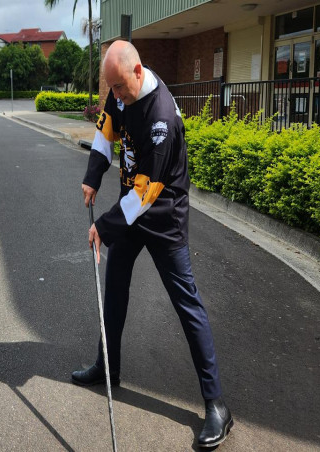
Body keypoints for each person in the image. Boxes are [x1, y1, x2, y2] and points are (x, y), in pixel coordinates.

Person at [72, 40, 233, 448]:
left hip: (161, 215)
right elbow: (105, 132)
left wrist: (104, 227)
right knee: (114, 290)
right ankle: (107, 367)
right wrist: (93, 175)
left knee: (187, 305)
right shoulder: (119, 92)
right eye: (113, 89)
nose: (117, 97)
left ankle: (216, 405)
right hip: (131, 209)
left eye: (121, 87)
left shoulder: (162, 118)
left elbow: (146, 193)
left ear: (138, 72)